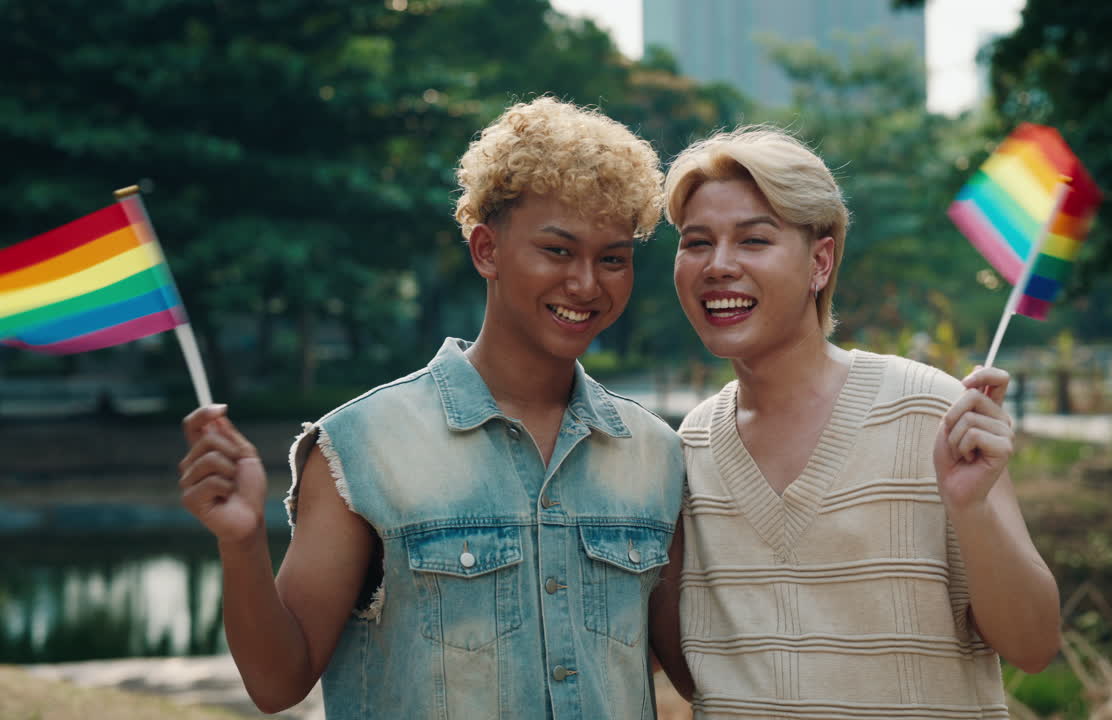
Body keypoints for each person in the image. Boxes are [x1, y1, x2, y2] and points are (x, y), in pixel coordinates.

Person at [177, 97, 687, 719]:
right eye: (557, 250)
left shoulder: (656, 452)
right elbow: (278, 683)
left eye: (613, 258)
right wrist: (242, 542)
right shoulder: (362, 446)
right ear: (486, 251)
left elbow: (681, 663)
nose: (586, 284)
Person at [653, 127, 1060, 718]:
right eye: (697, 242)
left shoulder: (932, 411)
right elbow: (704, 673)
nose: (718, 265)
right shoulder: (688, 446)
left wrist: (971, 510)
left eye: (754, 240)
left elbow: (1034, 645)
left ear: (820, 261)